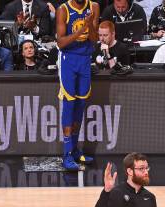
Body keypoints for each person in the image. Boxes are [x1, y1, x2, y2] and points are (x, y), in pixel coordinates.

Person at [56, 0, 100, 171]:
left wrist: (91, 27)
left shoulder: (94, 7)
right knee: (69, 105)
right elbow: (61, 43)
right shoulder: (63, 9)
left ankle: (75, 151)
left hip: (85, 59)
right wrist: (84, 27)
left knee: (80, 105)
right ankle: (66, 155)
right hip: (68, 60)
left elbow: (94, 40)